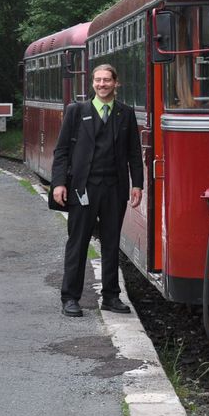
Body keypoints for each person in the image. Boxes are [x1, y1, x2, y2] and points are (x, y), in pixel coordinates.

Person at [51, 64, 143, 317]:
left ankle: (111, 297)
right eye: (97, 80)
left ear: (116, 83)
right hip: (83, 188)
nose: (102, 84)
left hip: (114, 187)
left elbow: (134, 152)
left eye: (106, 80)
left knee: (112, 243)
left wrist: (138, 184)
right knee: (78, 242)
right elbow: (61, 151)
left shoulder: (125, 113)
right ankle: (70, 298)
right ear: (92, 83)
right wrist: (58, 183)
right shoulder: (76, 112)